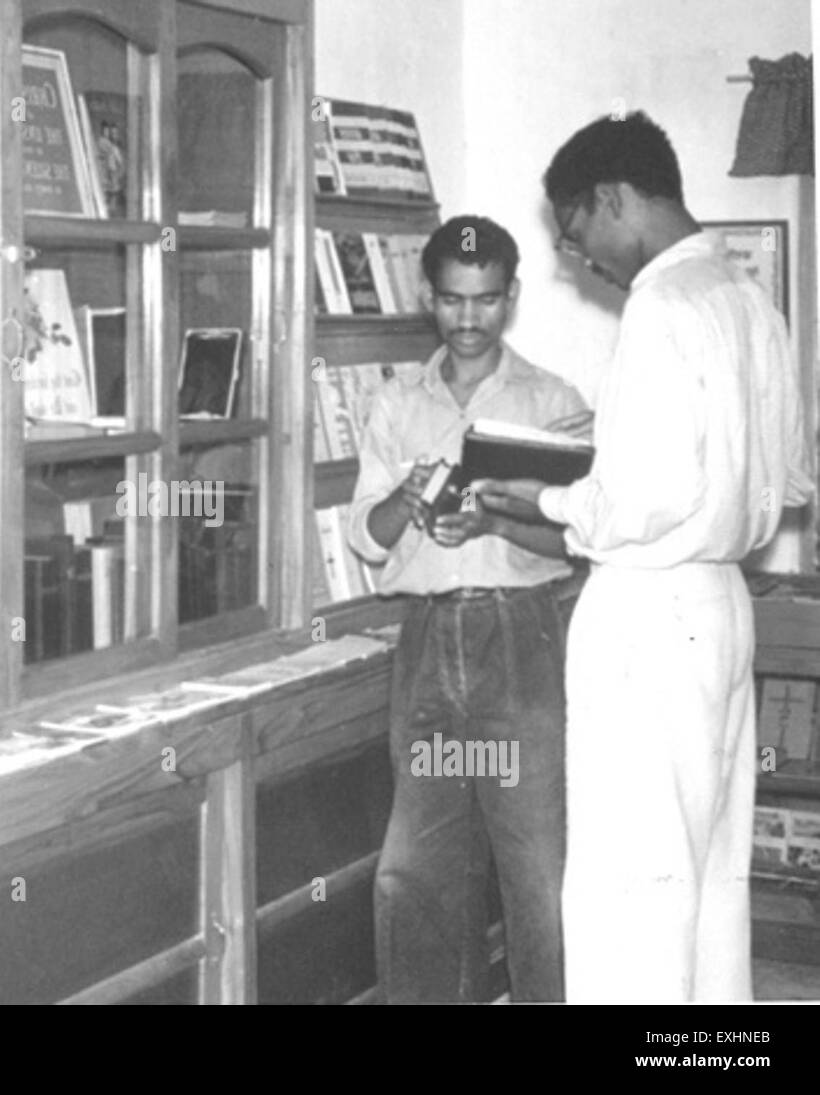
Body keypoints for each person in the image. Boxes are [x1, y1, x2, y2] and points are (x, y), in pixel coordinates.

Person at [476, 111, 814, 1002]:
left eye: (579, 234)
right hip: (720, 607)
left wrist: (542, 497)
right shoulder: (745, 297)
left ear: (615, 197)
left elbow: (641, 500)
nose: (582, 259)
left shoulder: (661, 305)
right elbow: (790, 477)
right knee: (709, 875)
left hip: (648, 614)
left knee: (632, 886)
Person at [347, 214, 589, 1002]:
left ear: (510, 297)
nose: (469, 318)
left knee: (536, 871)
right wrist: (407, 499)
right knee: (417, 871)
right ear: (429, 299)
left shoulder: (552, 401)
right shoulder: (395, 402)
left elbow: (578, 542)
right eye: (453, 300)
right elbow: (369, 539)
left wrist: (493, 519)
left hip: (517, 646)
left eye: (485, 300)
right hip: (426, 652)